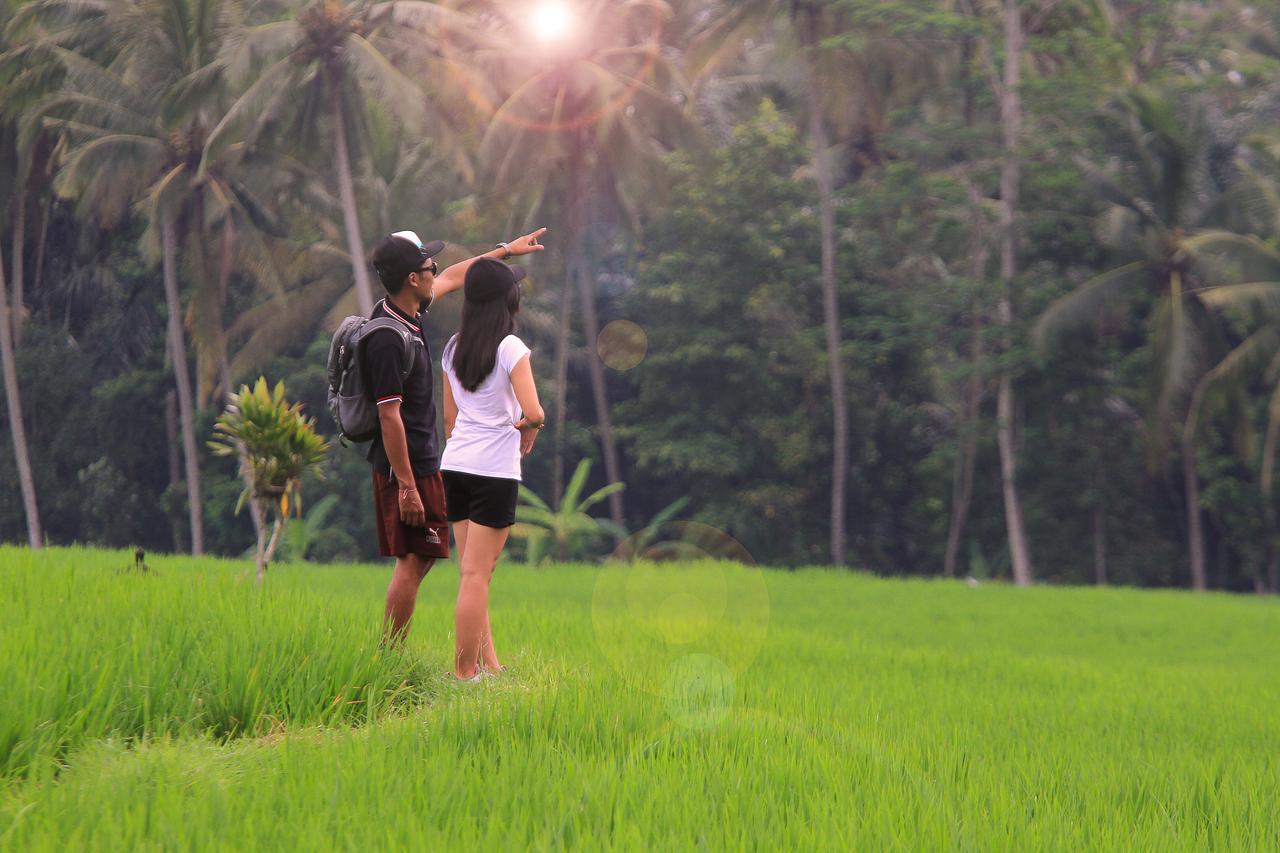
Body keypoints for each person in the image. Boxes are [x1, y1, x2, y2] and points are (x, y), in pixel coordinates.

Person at [365, 227, 546, 652]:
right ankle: (398, 659)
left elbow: (459, 276)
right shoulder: (389, 336)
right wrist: (408, 485)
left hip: (442, 460)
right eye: (430, 266)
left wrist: (504, 250)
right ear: (413, 278)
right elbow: (388, 415)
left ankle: (487, 665)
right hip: (408, 464)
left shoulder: (414, 316)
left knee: (451, 567)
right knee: (428, 564)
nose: (437, 272)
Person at [440, 258, 545, 680]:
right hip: (494, 471)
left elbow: (449, 420)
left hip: (457, 465)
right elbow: (534, 410)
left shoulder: (452, 346)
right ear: (508, 300)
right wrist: (531, 426)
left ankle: (491, 665)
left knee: (474, 574)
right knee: (477, 575)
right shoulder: (510, 348)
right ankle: (465, 673)